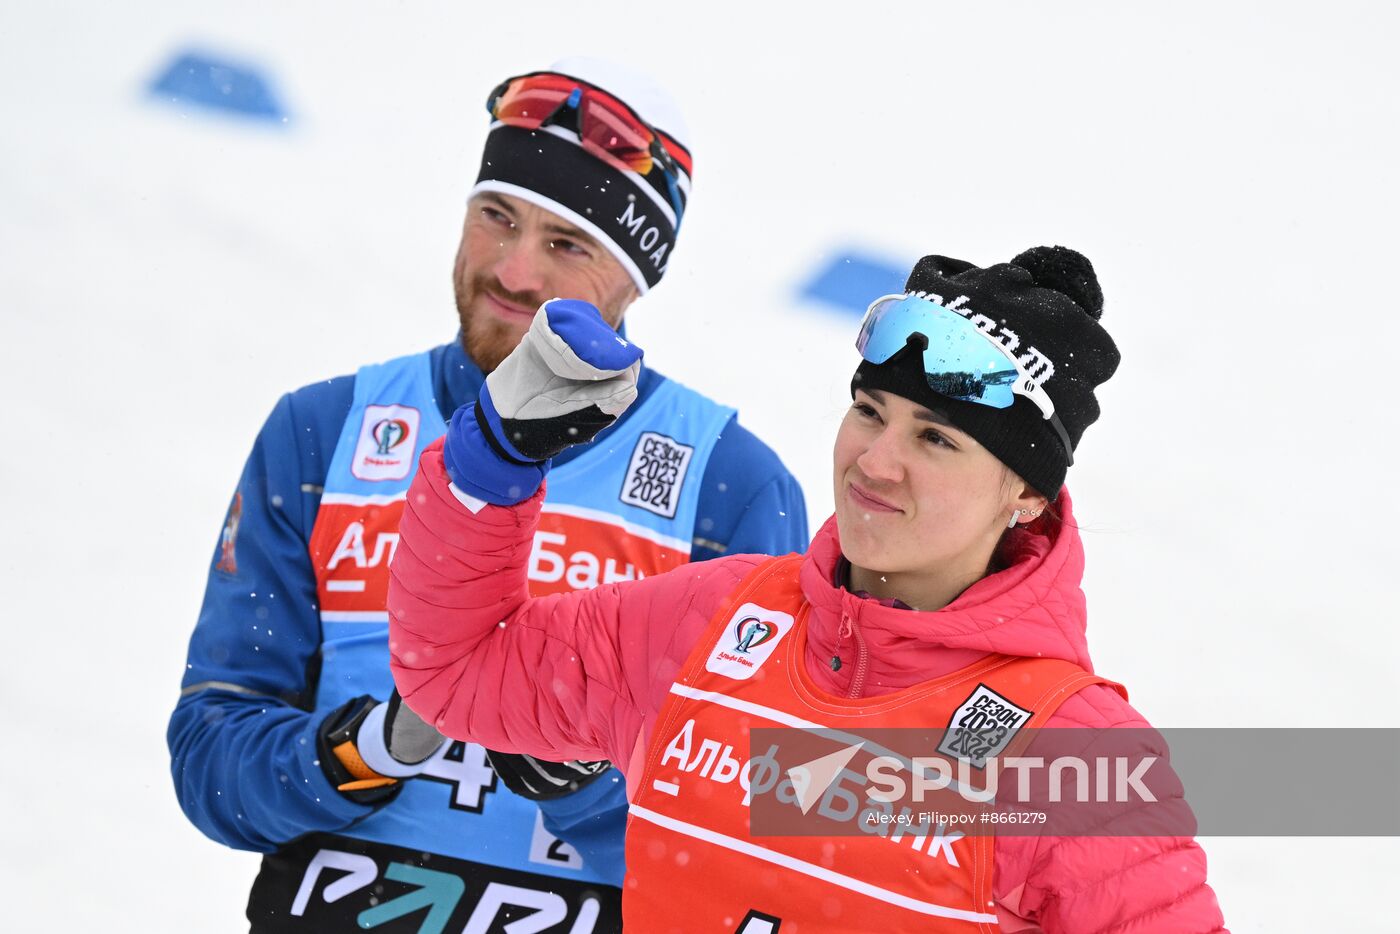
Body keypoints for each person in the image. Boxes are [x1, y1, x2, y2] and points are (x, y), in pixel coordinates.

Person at [386, 247, 1230, 932]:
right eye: (870, 411)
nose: (875, 461)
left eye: (936, 439)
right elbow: (459, 673)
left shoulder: (1071, 751)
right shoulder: (709, 619)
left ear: (1028, 494)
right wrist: (485, 465)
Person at [167, 58, 808, 931]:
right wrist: (361, 751)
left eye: (566, 245)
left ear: (633, 282)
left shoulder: (727, 483)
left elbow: (753, 833)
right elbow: (213, 759)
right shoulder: (325, 430)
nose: (513, 272)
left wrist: (584, 787)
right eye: (495, 217)